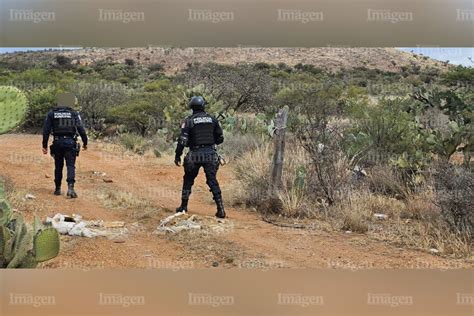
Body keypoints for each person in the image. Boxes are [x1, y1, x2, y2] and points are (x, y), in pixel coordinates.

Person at [174, 96, 226, 218]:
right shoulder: (212, 119)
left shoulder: (188, 121)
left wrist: (178, 155)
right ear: (203, 106)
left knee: (188, 180)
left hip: (195, 154)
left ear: (191, 107)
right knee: (212, 181)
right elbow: (220, 138)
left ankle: (183, 206)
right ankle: (221, 209)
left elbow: (182, 140)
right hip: (210, 154)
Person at [42, 93, 88, 198]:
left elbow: (46, 131)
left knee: (58, 166)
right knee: (70, 166)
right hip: (70, 142)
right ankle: (70, 189)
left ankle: (57, 189)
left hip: (57, 143)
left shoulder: (51, 113)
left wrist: (44, 145)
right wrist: (85, 143)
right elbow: (81, 129)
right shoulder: (74, 113)